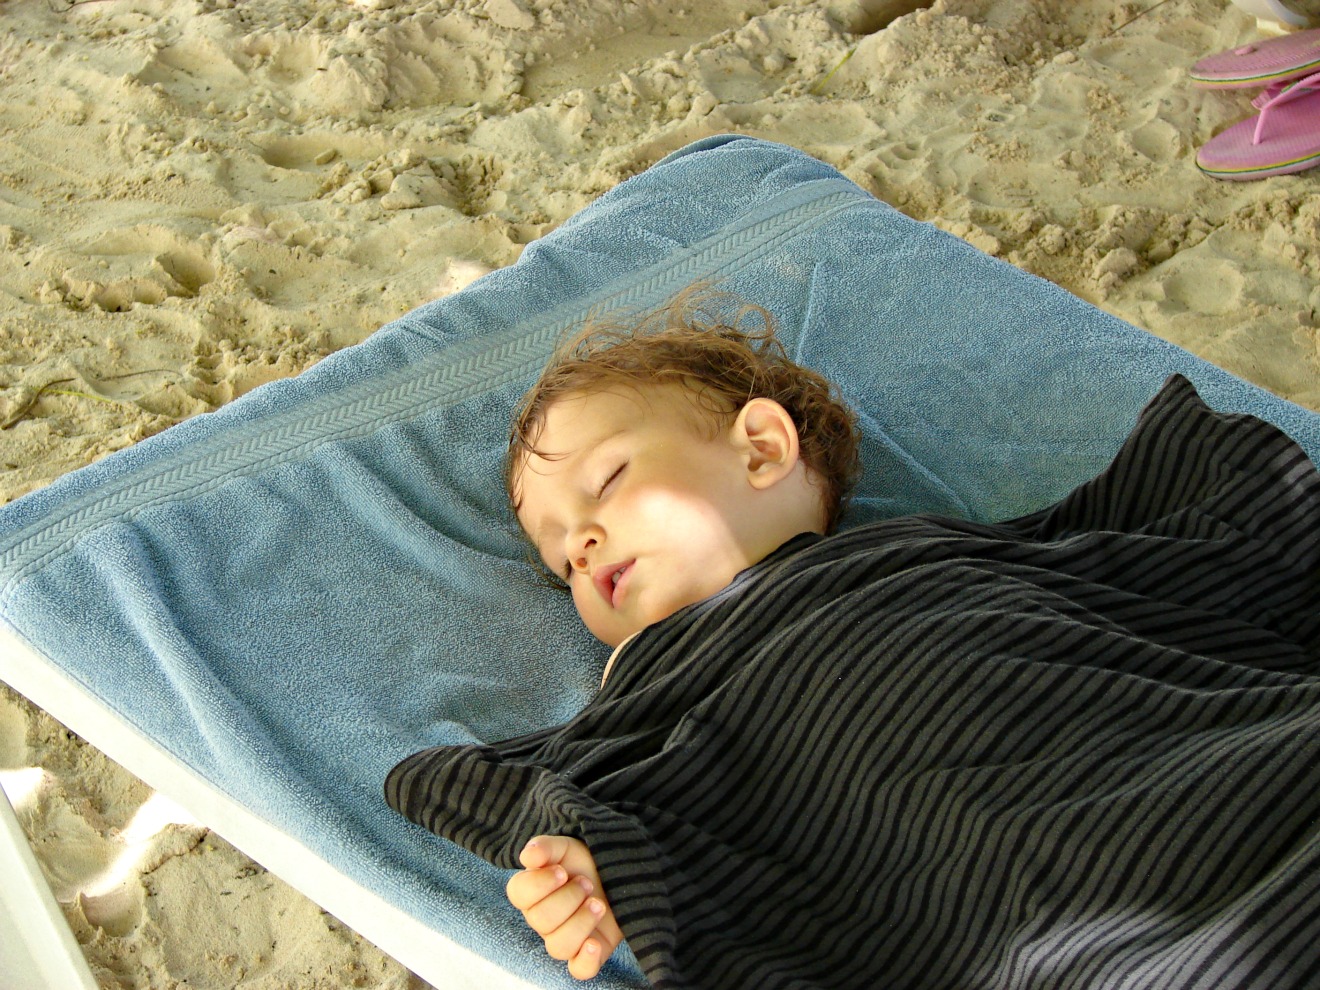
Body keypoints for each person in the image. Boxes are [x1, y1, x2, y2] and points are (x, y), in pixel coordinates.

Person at [386, 292, 1320, 989]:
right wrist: (588, 866)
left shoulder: (925, 549)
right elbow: (538, 792)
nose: (582, 546)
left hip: (1207, 775)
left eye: (607, 481)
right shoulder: (650, 700)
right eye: (561, 561)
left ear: (761, 448)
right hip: (993, 917)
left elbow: (1134, 571)